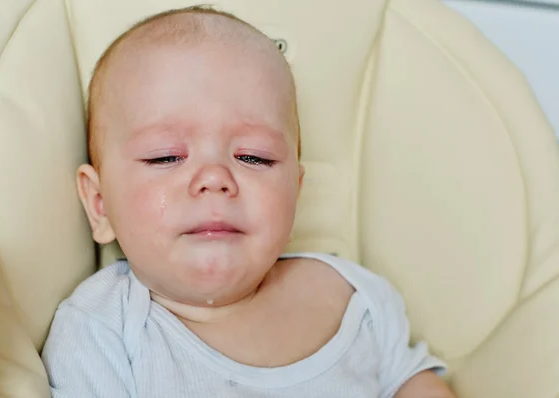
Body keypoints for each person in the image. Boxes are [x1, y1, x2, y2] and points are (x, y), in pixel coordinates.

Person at [42, 6, 456, 398]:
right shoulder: (101, 330)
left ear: (295, 189)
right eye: (165, 156)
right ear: (99, 204)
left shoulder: (354, 298)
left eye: (254, 157)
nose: (215, 179)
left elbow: (412, 382)